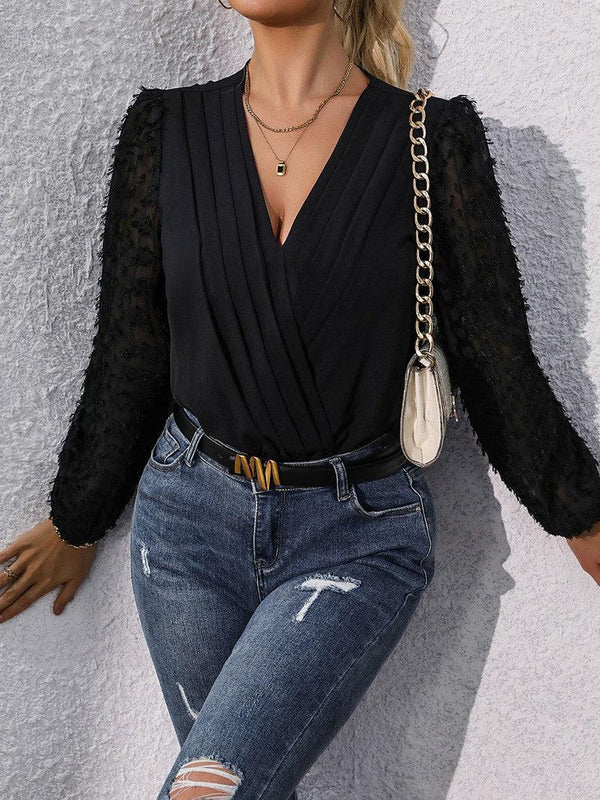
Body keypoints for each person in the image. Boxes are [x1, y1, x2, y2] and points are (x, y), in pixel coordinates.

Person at [2, 1, 600, 798]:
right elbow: (131, 349)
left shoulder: (432, 140)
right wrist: (78, 519)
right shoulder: (162, 130)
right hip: (184, 531)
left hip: (356, 536)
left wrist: (579, 512)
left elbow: (493, 353)